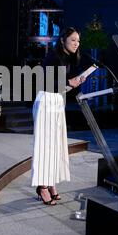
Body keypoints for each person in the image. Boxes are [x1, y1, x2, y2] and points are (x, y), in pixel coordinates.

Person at [31, 27, 88, 206]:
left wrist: (76, 82)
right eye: (73, 40)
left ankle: (51, 182)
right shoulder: (53, 56)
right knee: (45, 147)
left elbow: (64, 87)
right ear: (63, 40)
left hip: (57, 100)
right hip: (46, 100)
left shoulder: (68, 58)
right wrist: (67, 82)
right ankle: (42, 186)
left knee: (56, 146)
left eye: (78, 41)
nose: (76, 44)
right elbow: (45, 81)